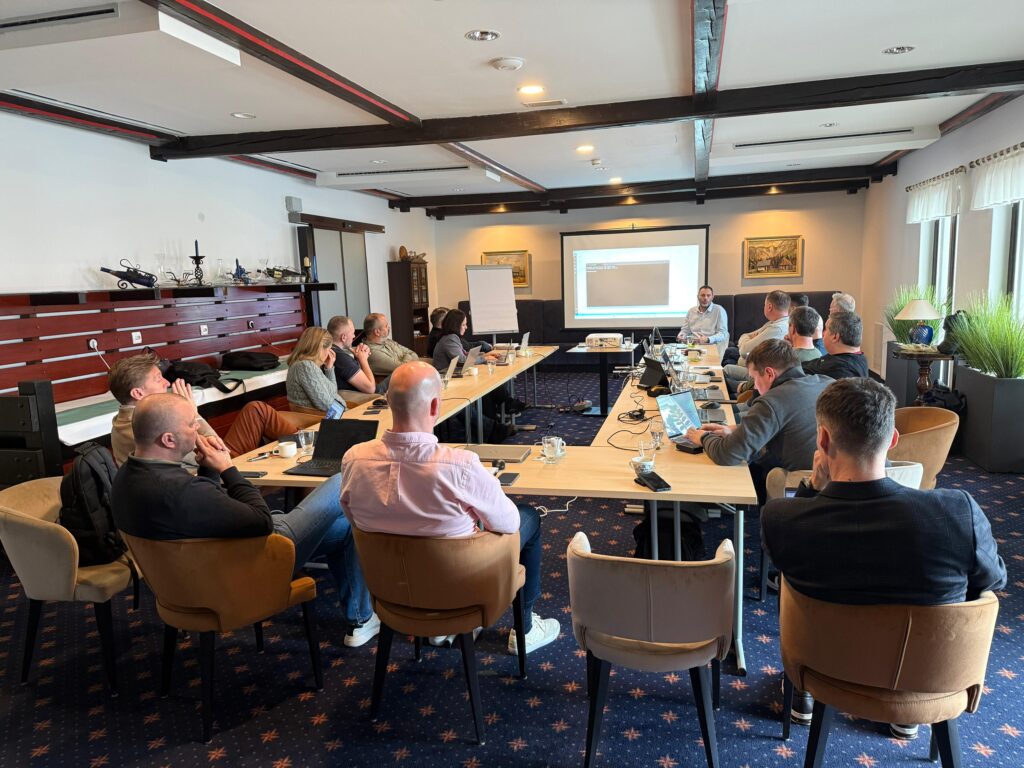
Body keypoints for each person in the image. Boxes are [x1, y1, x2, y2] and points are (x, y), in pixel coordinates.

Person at [762, 378, 1006, 734]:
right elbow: (993, 580)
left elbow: (787, 554)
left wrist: (813, 488)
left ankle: (802, 696)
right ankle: (906, 708)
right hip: (929, 677)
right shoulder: (957, 512)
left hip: (825, 671)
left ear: (823, 440)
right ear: (892, 439)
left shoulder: (782, 521)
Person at [110, 393, 379, 647]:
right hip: (244, 571)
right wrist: (227, 468)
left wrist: (207, 468)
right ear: (168, 440)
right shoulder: (180, 490)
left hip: (184, 582)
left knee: (344, 529)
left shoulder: (125, 479)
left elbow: (204, 509)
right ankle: (367, 603)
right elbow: (261, 521)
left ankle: (361, 619)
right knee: (343, 477)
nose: (198, 429)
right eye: (192, 424)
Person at [340, 361, 560, 655]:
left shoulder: (354, 460)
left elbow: (353, 520)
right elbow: (507, 524)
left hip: (392, 593)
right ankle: (526, 630)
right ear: (435, 406)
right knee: (528, 517)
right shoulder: (460, 466)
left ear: (389, 402)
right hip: (461, 593)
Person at [685, 339, 832, 502]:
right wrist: (736, 430)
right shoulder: (827, 383)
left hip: (801, 488)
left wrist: (703, 437)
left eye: (754, 379)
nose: (755, 387)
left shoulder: (773, 400)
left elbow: (726, 454)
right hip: (836, 484)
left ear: (769, 373)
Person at [107, 352, 317, 465]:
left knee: (256, 410)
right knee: (259, 411)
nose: (166, 383)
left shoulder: (127, 418)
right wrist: (193, 412)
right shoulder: (148, 426)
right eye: (157, 379)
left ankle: (310, 445)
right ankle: (312, 449)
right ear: (138, 393)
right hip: (218, 469)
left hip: (213, 458)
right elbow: (214, 452)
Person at [723, 290, 791, 386]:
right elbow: (745, 336)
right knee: (729, 354)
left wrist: (748, 339)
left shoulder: (777, 328)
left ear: (769, 307)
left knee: (726, 369)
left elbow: (744, 350)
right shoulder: (774, 322)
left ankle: (739, 390)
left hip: (761, 373)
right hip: (753, 363)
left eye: (764, 304)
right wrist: (747, 339)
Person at [286, 327, 347, 416]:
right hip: (321, 419)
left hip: (329, 416)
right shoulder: (306, 367)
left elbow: (333, 392)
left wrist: (329, 368)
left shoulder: (306, 365)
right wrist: (347, 411)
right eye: (329, 349)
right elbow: (325, 404)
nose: (329, 354)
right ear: (321, 348)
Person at [326, 315, 384, 396]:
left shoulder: (330, 351)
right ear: (343, 337)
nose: (354, 336)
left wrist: (358, 357)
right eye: (353, 333)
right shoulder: (341, 359)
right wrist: (363, 359)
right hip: (368, 398)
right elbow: (371, 388)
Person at [801, 311, 868, 379]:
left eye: (826, 329)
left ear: (835, 337)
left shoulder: (841, 371)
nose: (823, 333)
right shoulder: (859, 358)